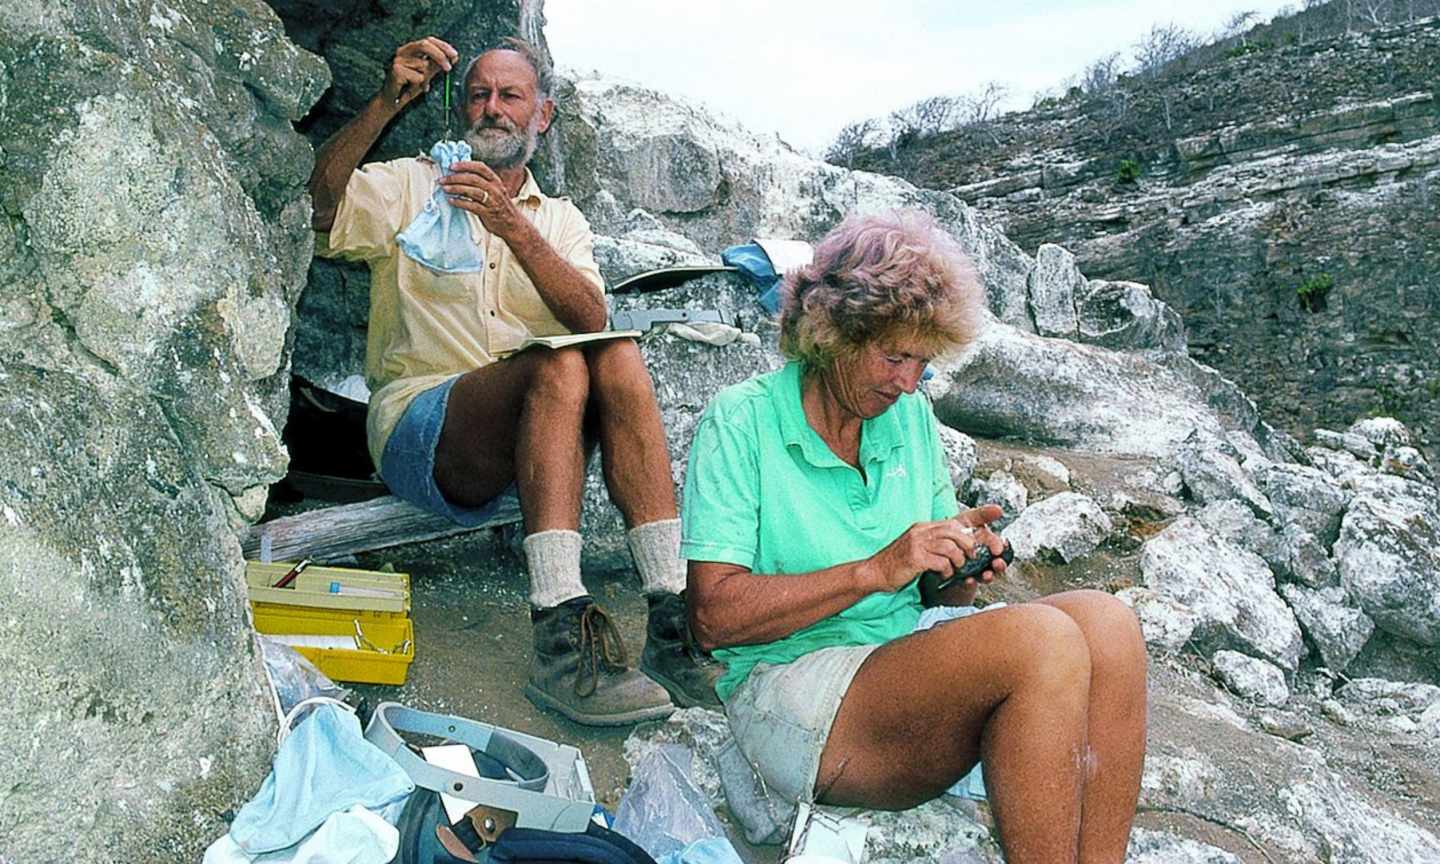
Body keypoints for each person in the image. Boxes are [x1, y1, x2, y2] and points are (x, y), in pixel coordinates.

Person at [681, 212, 1147, 862]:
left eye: (921, 363)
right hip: (790, 685)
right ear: (831, 332)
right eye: (893, 355)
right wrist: (875, 568)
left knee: (1109, 625)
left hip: (897, 661)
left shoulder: (910, 419)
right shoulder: (741, 423)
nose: (906, 383)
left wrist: (956, 567)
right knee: (1042, 642)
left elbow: (937, 601)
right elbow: (711, 618)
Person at [308, 35, 720, 725]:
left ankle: (674, 624)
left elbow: (591, 313)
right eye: (478, 94)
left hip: (529, 442)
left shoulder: (559, 219)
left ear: (543, 116)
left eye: (510, 96)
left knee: (613, 351)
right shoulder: (414, 183)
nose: (491, 109)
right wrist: (385, 103)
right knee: (557, 362)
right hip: (424, 437)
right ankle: (560, 636)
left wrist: (510, 225)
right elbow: (320, 206)